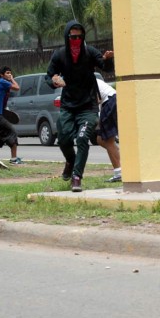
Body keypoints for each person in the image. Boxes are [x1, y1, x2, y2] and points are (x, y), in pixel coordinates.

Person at [45, 20, 114, 192]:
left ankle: (77, 177)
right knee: (64, 139)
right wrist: (53, 81)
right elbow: (49, 76)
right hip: (68, 106)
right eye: (72, 37)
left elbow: (105, 67)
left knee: (83, 139)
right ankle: (70, 160)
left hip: (88, 106)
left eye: (79, 37)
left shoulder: (90, 52)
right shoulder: (59, 55)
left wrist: (108, 59)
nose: (76, 40)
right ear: (67, 37)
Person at [0, 66, 21, 164]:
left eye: (10, 73)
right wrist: (12, 79)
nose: (10, 75)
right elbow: (17, 88)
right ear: (1, 75)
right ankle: (14, 159)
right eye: (8, 73)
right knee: (13, 132)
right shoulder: (2, 82)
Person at [95, 78, 121, 182]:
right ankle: (120, 168)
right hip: (108, 103)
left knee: (107, 140)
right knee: (101, 139)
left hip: (110, 101)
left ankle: (119, 173)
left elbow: (96, 99)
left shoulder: (87, 79)